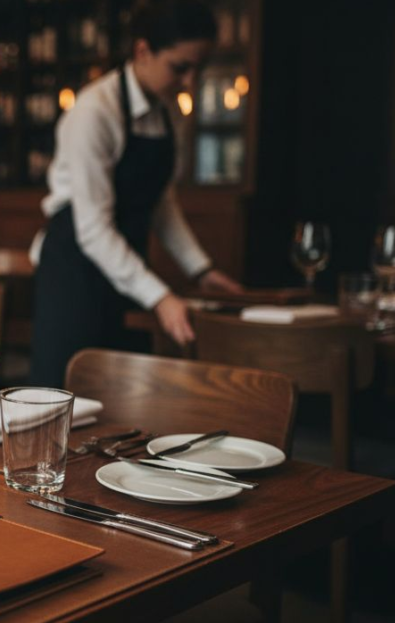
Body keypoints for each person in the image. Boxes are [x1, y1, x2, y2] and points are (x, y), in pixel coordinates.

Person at [29, 0, 243, 388]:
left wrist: (201, 269)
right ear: (143, 52)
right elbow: (93, 229)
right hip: (74, 268)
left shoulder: (168, 113)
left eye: (199, 69)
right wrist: (160, 297)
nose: (190, 83)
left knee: (126, 401)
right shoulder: (94, 112)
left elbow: (160, 202)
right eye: (181, 67)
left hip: (127, 268)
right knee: (62, 401)